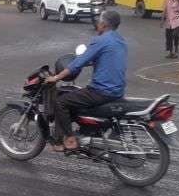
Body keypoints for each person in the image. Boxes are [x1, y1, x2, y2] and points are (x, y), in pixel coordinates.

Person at [44, 10, 127, 152]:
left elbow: (77, 63)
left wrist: (56, 78)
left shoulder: (100, 40)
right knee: (76, 97)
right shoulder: (120, 41)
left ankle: (70, 139)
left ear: (103, 24)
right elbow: (105, 60)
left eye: (99, 22)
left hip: (101, 91)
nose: (97, 25)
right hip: (117, 90)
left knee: (61, 102)